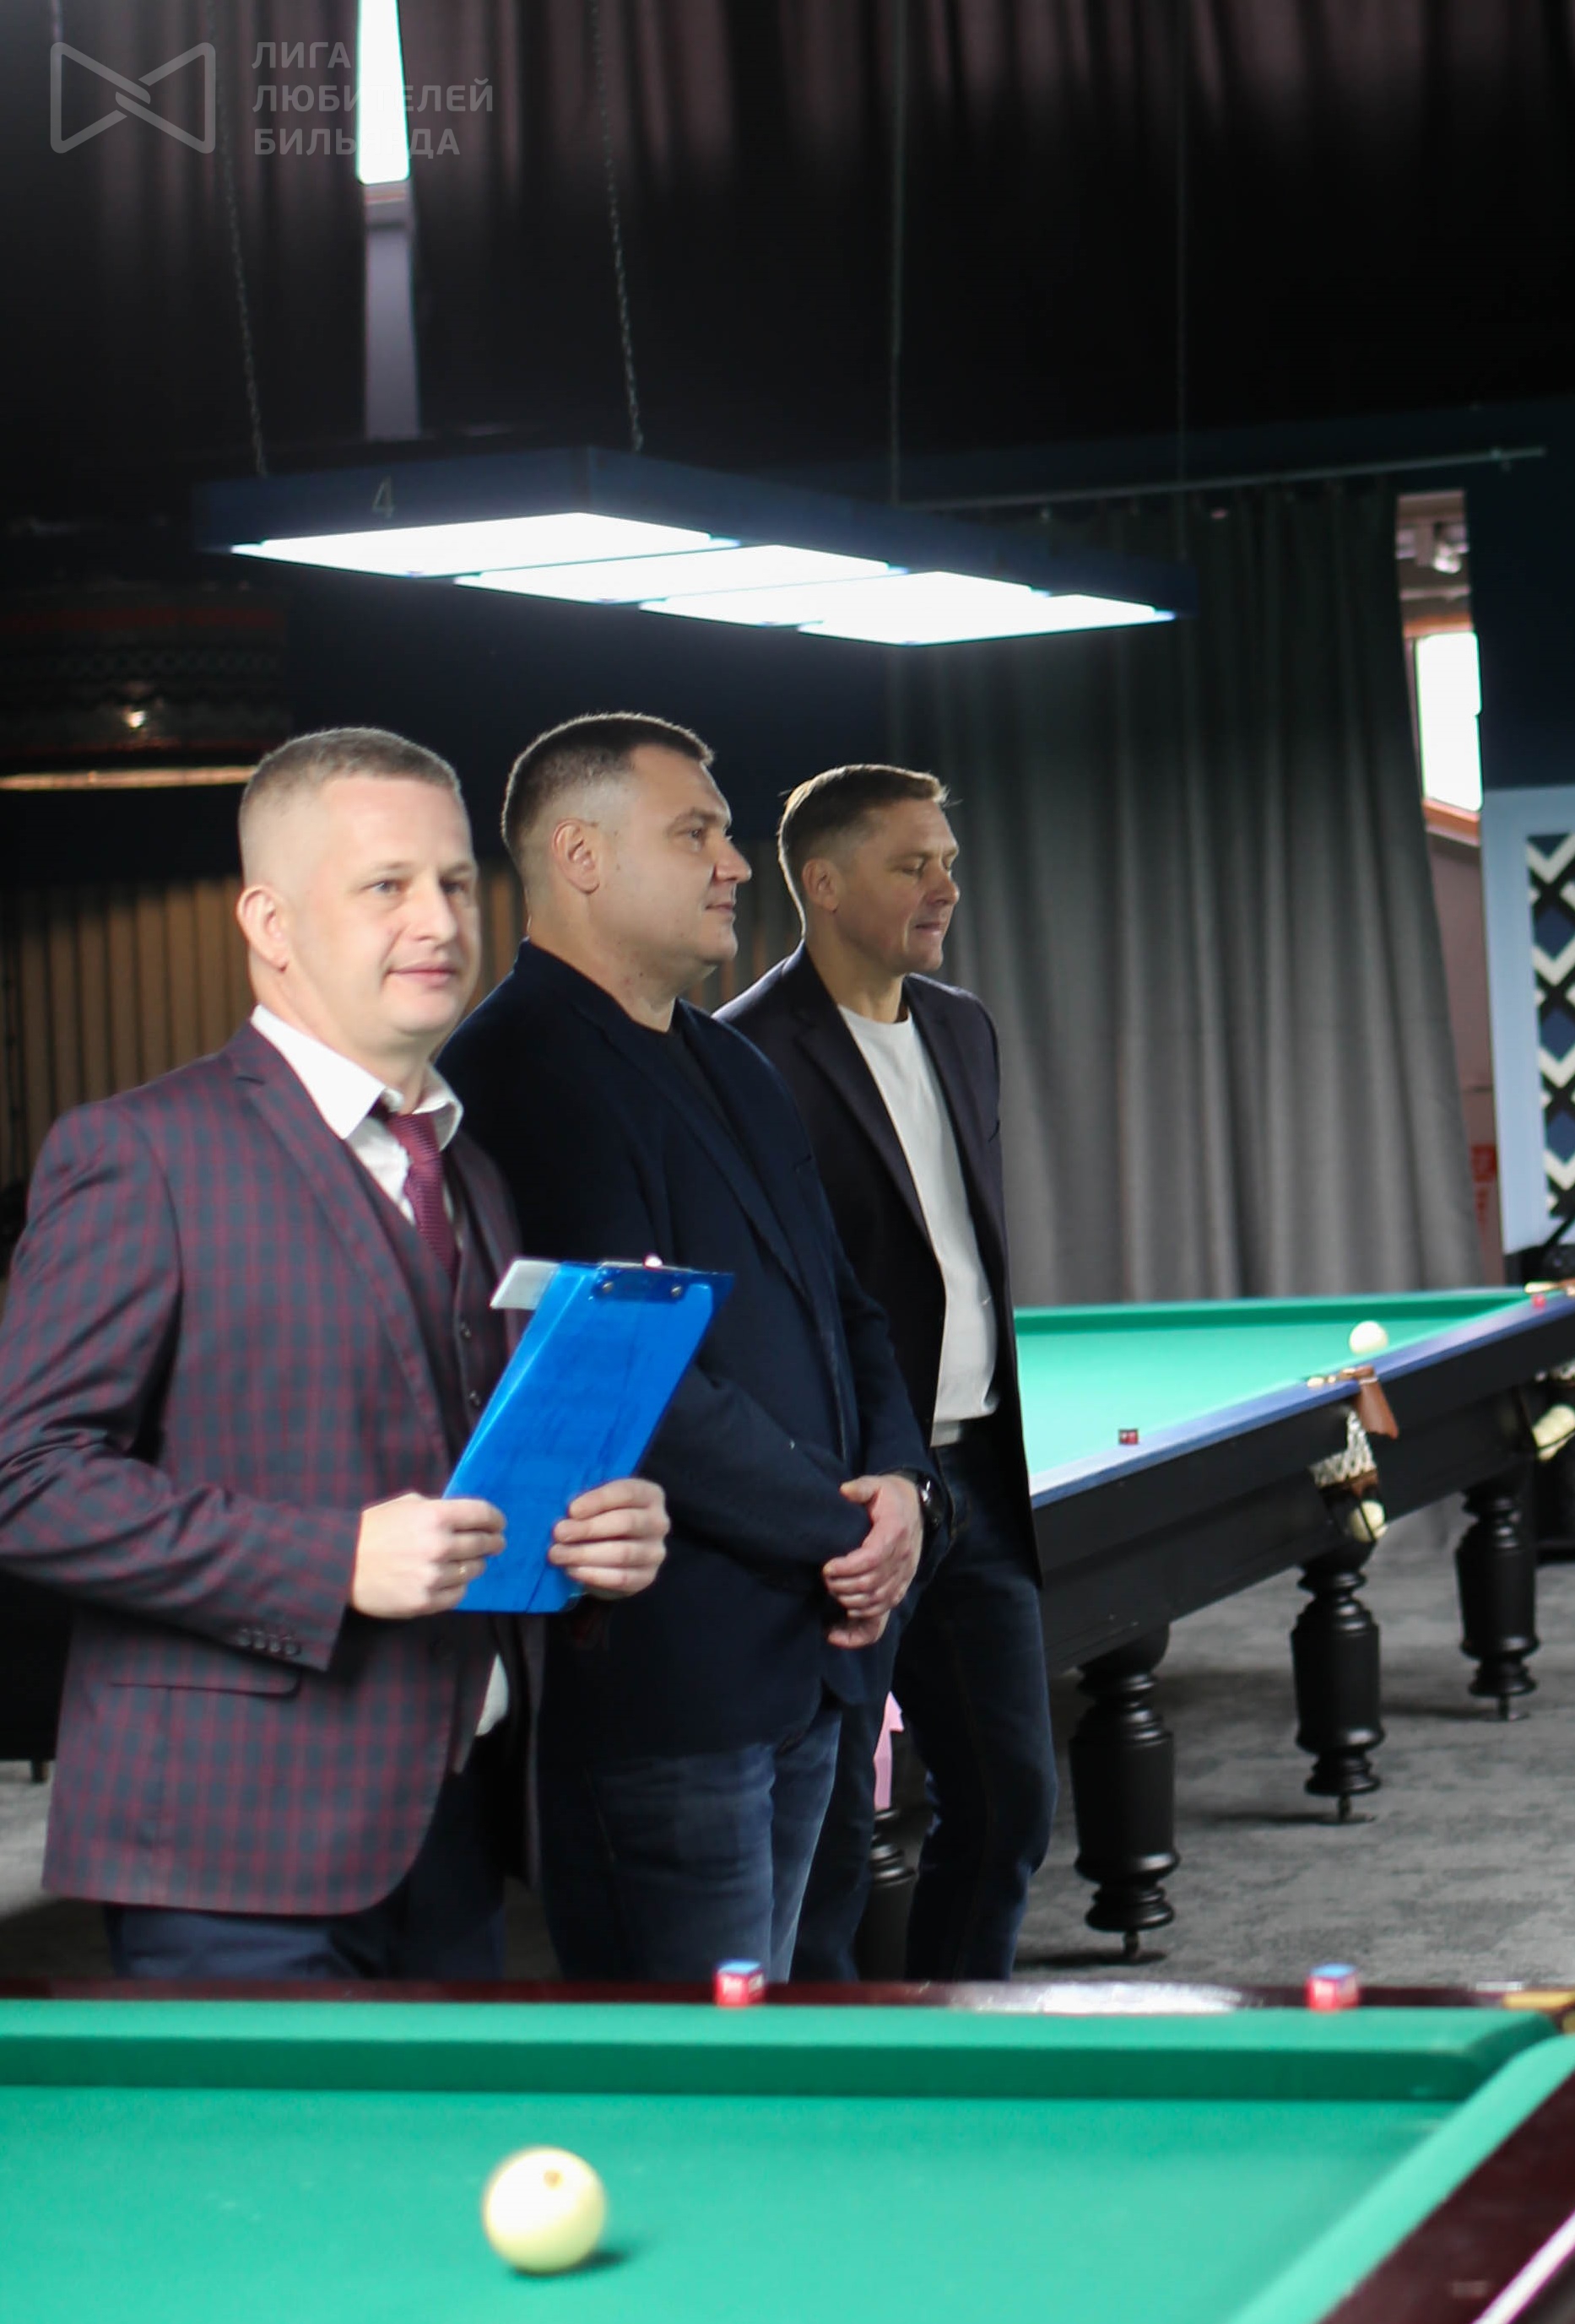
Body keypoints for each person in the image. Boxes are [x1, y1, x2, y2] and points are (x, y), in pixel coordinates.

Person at [0, 728, 667, 1978]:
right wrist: (331, 1559)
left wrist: (588, 1537)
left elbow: (464, 1461)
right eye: (385, 885)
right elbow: (24, 1482)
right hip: (228, 1855)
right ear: (270, 922)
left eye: (455, 882)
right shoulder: (139, 1153)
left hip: (456, 1829)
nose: (439, 920)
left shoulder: (471, 1170)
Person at [444, 715, 931, 1984]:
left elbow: (849, 1310)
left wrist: (903, 1485)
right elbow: (632, 1383)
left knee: (785, 2036)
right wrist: (851, 1530)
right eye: (695, 832)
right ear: (582, 856)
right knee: (692, 2058)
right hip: (666, 1686)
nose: (734, 863)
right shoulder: (515, 1067)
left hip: (810, 1650)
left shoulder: (729, 1058)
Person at [723, 766, 1058, 1981]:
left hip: (980, 1481)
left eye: (947, 861)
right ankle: (832, 2060)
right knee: (826, 1848)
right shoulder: (743, 1055)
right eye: (912, 863)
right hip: (855, 1496)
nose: (945, 886)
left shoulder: (964, 1027)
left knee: (1012, 1803)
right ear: (822, 881)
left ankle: (959, 2035)